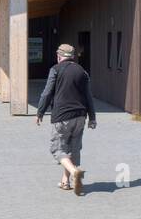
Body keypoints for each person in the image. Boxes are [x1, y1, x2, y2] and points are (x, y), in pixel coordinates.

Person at [35, 44, 97, 196]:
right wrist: (92, 117)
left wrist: (40, 112)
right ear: (72, 56)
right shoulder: (82, 71)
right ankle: (66, 181)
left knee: (57, 149)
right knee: (73, 150)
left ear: (59, 56)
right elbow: (89, 96)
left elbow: (47, 92)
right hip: (80, 116)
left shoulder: (55, 70)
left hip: (62, 117)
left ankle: (74, 171)